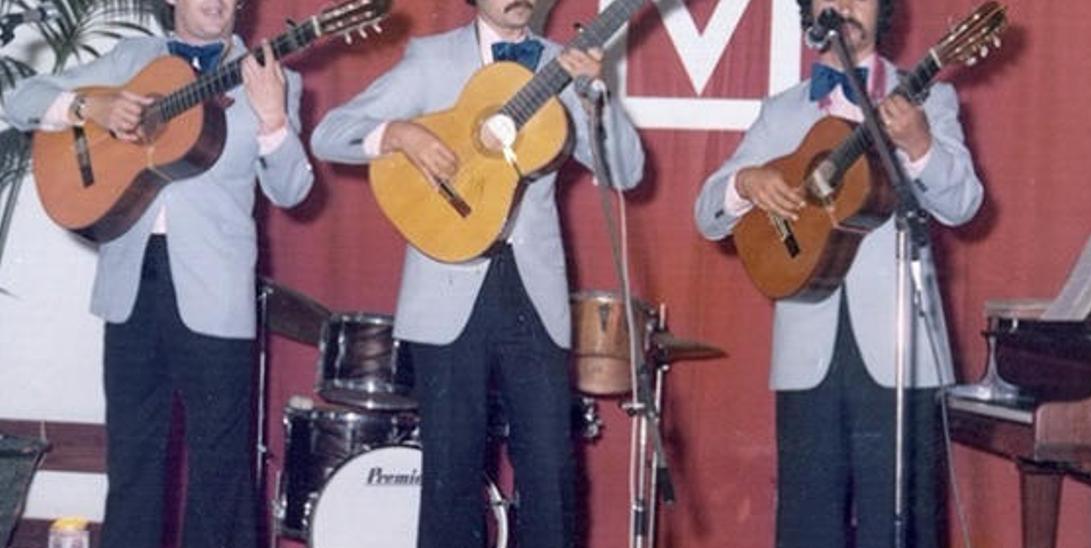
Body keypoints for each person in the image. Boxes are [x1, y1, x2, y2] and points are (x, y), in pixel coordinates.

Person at [309, 0, 645, 546]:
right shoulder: (431, 61)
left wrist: (595, 95)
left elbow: (626, 171)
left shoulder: (565, 65)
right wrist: (398, 134)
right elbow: (330, 134)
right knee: (450, 472)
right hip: (445, 283)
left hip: (533, 290)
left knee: (551, 469)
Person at [3, 0, 314, 545]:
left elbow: (292, 190)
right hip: (132, 285)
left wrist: (273, 120)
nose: (217, 3)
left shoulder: (271, 77)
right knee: (133, 460)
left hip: (216, 293)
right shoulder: (131, 59)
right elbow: (18, 97)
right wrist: (88, 109)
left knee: (220, 469)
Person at [693, 0, 984, 546]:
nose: (846, 6)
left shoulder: (930, 98)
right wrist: (747, 184)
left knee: (903, 529)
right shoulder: (781, 113)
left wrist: (920, 144)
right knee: (807, 528)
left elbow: (964, 203)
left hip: (902, 353)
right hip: (807, 353)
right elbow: (706, 214)